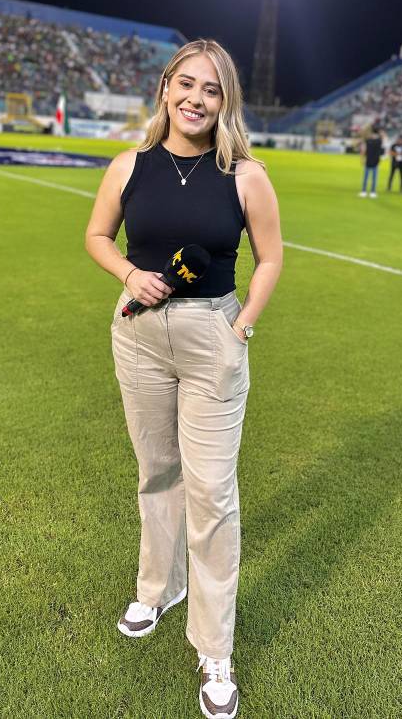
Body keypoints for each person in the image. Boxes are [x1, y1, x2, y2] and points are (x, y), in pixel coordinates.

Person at [85, 39, 283, 719]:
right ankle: (157, 588)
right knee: (156, 472)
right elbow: (97, 237)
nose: (197, 99)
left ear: (226, 102)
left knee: (212, 492)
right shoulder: (129, 165)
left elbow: (270, 258)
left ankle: (214, 646)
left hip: (212, 337)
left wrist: (242, 326)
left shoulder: (246, 175)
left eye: (213, 89)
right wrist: (125, 273)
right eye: (187, 84)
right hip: (137, 330)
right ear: (167, 88)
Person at [358, 121, 384, 198]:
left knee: (367, 177)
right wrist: (380, 130)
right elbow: (383, 136)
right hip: (375, 160)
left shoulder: (368, 140)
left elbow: (363, 150)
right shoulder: (379, 141)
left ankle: (364, 191)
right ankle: (372, 192)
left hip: (370, 160)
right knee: (373, 177)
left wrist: (362, 159)